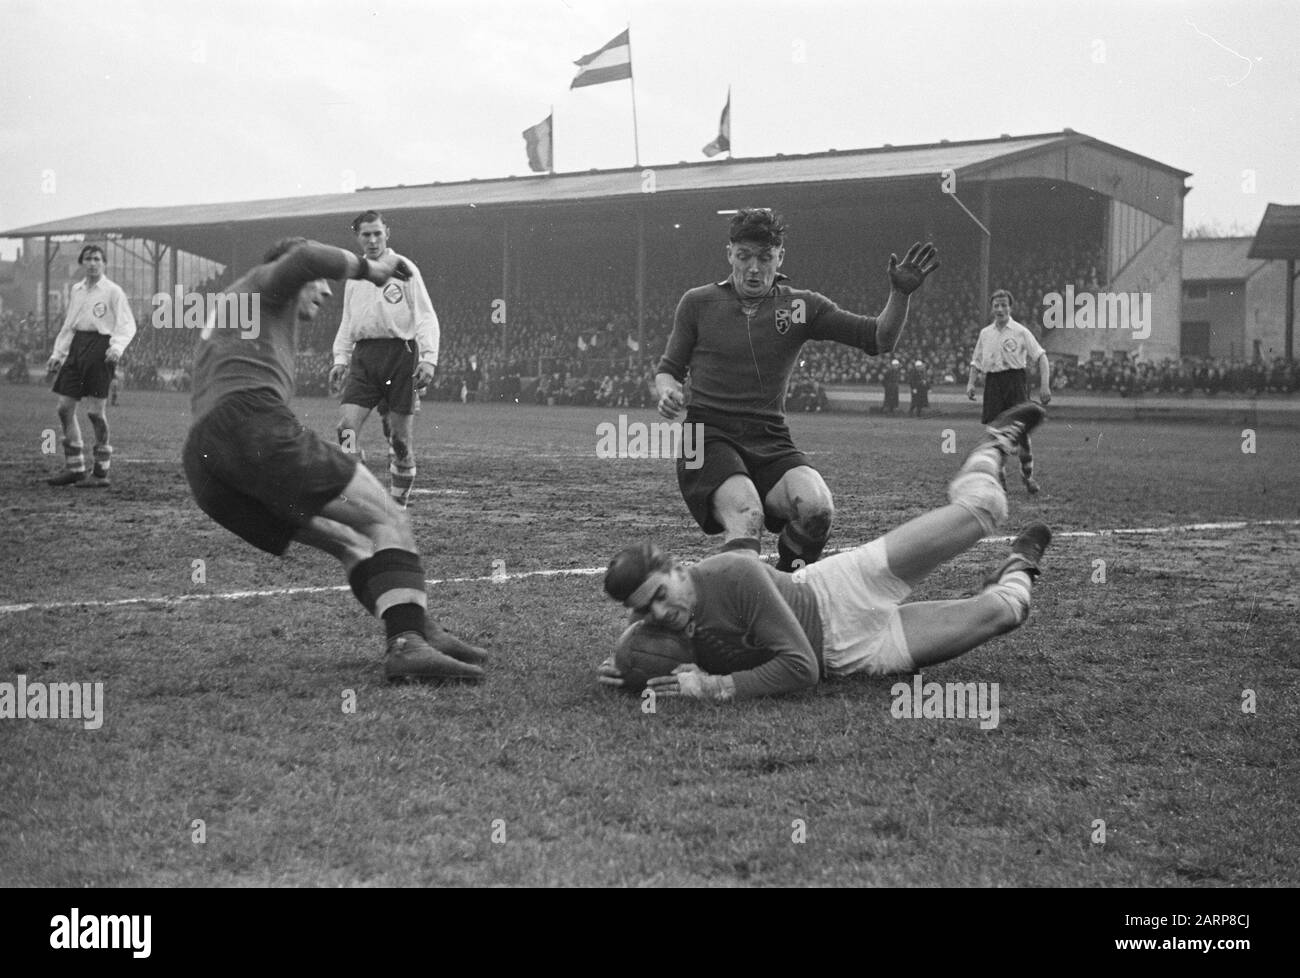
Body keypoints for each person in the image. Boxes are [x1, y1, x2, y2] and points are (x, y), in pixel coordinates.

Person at [182, 236, 487, 682]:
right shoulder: (264, 285)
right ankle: (406, 646)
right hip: (251, 425)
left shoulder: (240, 312)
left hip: (206, 468)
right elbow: (305, 258)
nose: (327, 291)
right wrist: (371, 270)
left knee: (351, 541)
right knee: (389, 519)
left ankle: (417, 628)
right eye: (321, 282)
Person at [597, 403, 1049, 702]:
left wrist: (716, 687)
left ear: (676, 568)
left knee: (984, 507)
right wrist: (627, 668)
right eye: (645, 612)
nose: (658, 614)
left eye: (659, 595)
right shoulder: (657, 617)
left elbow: (800, 668)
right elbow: (647, 650)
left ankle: (993, 444)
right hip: (855, 657)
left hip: (842, 590)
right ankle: (1019, 564)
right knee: (1007, 612)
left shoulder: (733, 573)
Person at [655, 208, 938, 570]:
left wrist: (899, 294)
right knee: (746, 514)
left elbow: (879, 338)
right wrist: (667, 390)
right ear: (730, 254)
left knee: (817, 508)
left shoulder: (798, 308)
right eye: (744, 257)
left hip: (770, 437)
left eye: (764, 257)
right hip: (702, 435)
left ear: (780, 257)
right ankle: (739, 613)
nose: (753, 268)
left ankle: (786, 591)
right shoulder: (698, 303)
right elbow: (668, 370)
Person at [329, 211, 439, 508]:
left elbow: (425, 315)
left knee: (400, 441)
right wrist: (341, 358)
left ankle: (398, 507)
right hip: (364, 358)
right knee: (346, 430)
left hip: (400, 355)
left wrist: (428, 359)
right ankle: (360, 492)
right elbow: (347, 320)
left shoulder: (403, 268)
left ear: (387, 232)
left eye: (377, 233)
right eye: (366, 234)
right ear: (358, 237)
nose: (373, 239)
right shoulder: (356, 276)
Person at [45, 245, 137, 487]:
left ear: (104, 263)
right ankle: (75, 467)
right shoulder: (77, 290)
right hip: (77, 347)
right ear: (82, 263)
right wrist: (58, 353)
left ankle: (100, 472)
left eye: (97, 259)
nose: (93, 263)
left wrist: (116, 348)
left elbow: (127, 325)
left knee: (95, 413)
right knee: (64, 408)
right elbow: (69, 324)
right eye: (88, 259)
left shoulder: (113, 291)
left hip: (100, 350)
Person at [967, 289, 1051, 493]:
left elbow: (1041, 356)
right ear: (991, 309)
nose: (1000, 309)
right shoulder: (985, 334)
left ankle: (1028, 476)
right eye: (996, 305)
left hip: (1015, 381)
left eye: (1004, 305)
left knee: (1021, 433)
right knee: (996, 433)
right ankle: (1000, 478)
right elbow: (976, 362)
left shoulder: (1020, 331)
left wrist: (1045, 384)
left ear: (1010, 308)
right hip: (993, 383)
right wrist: (971, 383)